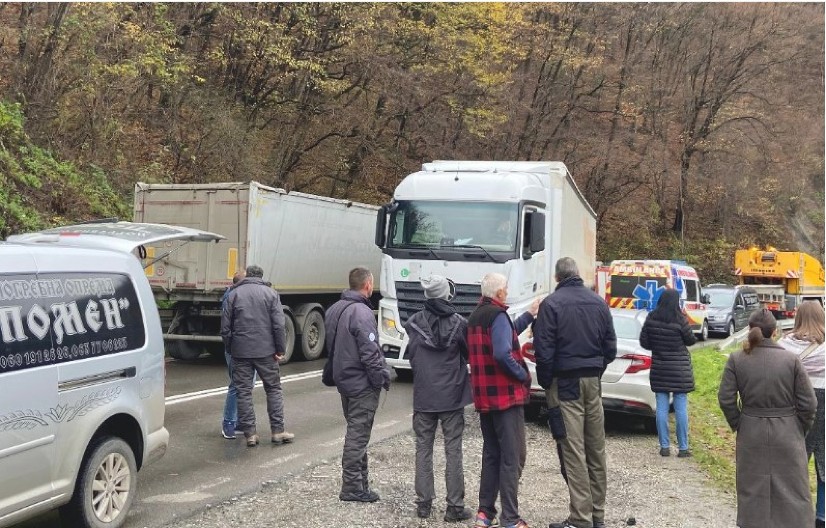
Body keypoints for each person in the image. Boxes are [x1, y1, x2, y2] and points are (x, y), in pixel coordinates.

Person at [533, 257, 617, 528]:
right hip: (593, 381)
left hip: (564, 381)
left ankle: (580, 519)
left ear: (557, 278)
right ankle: (597, 516)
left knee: (573, 451)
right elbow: (610, 348)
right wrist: (597, 371)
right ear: (577, 275)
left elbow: (544, 351)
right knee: (596, 448)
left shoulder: (551, 305)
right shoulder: (598, 303)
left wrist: (547, 384)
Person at [718, 308, 817, 528]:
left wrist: (740, 423)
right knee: (793, 490)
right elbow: (809, 403)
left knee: (752, 489)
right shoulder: (791, 360)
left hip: (751, 431)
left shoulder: (737, 359)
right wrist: (799, 428)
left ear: (749, 330)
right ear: (775, 332)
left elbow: (725, 398)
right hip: (788, 431)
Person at [467, 272, 538, 528]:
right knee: (513, 457)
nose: (507, 291)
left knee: (492, 455)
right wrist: (522, 374)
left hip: (485, 397)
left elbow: (503, 335)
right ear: (498, 293)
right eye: (506, 288)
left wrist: (529, 314)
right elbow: (501, 351)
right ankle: (510, 517)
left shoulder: (476, 317)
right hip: (505, 397)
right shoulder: (497, 316)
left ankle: (484, 513)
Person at [403, 274, 473, 522]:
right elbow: (468, 355)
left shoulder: (413, 323)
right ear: (446, 294)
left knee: (423, 448)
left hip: (424, 396)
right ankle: (455, 506)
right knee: (453, 449)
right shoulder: (460, 324)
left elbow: (411, 356)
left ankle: (424, 504)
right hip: (452, 396)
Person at [325, 267, 390, 503]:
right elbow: (370, 354)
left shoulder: (334, 309)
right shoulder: (362, 313)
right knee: (357, 436)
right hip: (361, 383)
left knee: (357, 433)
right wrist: (379, 379)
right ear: (368, 285)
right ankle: (352, 487)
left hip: (344, 380)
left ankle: (360, 483)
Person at [220, 265, 294, 447]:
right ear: (261, 276)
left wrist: (231, 348)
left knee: (244, 392)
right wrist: (280, 350)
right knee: (273, 389)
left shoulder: (233, 294)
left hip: (241, 352)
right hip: (266, 352)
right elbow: (278, 325)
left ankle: (250, 435)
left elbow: (225, 328)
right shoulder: (271, 294)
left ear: (248, 276)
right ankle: (277, 431)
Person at [778, 301, 825, 528]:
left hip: (795, 412)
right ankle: (821, 518)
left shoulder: (783, 345)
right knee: (825, 469)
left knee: (794, 467)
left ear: (797, 318)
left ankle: (795, 514)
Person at [638, 288, 697, 457]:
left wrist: (657, 347)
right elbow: (690, 340)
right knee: (680, 409)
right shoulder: (680, 319)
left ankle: (664, 447)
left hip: (660, 368)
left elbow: (644, 342)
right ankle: (683, 448)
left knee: (662, 409)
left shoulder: (651, 318)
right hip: (679, 370)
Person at [221, 270, 246, 439]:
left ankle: (238, 421)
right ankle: (229, 422)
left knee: (244, 385)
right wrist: (230, 347)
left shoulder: (235, 295)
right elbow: (227, 327)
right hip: (237, 348)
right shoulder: (231, 297)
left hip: (244, 347)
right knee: (237, 385)